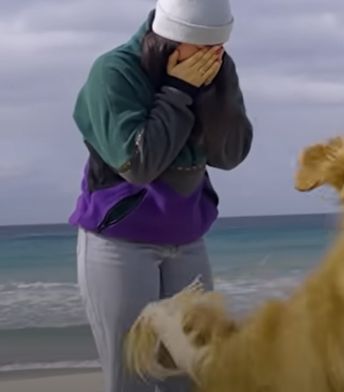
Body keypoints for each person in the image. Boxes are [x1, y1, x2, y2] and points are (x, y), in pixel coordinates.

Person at [69, 0, 252, 390]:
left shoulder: (218, 69)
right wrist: (177, 91)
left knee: (192, 372)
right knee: (131, 374)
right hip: (119, 242)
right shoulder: (114, 73)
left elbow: (230, 155)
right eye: (202, 48)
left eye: (218, 48)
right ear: (170, 40)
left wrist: (216, 95)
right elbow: (138, 164)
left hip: (186, 239)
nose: (212, 56)